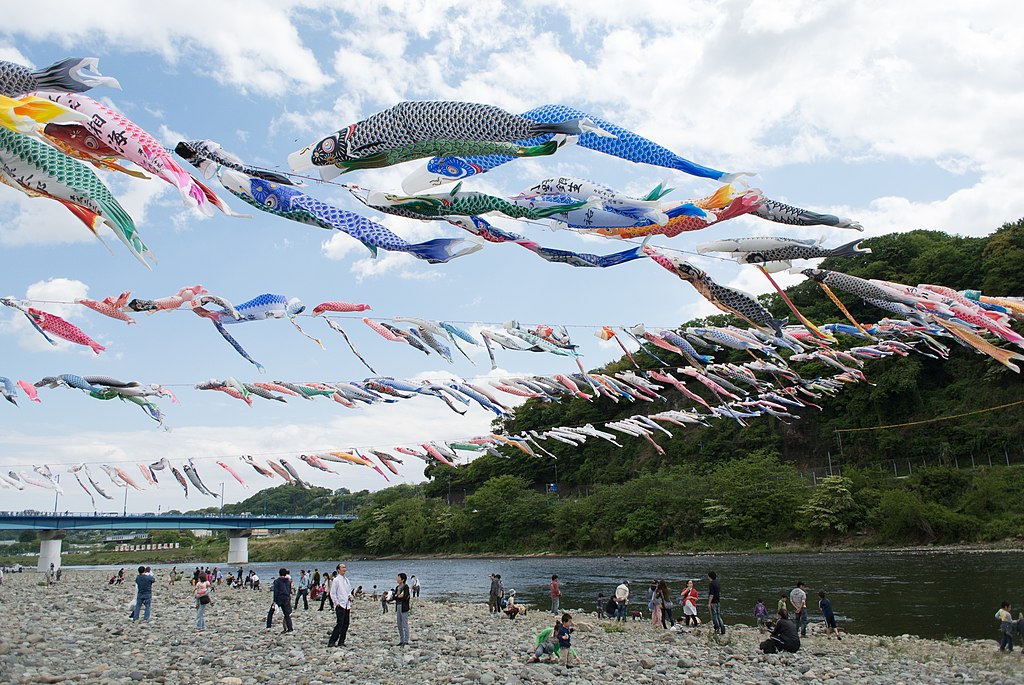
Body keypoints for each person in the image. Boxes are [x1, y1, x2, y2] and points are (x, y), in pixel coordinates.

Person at [327, 563, 354, 647]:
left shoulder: (346, 580)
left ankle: (341, 641)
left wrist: (350, 596)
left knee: (346, 623)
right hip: (340, 605)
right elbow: (332, 593)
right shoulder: (336, 580)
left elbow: (349, 591)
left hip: (347, 604)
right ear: (338, 570)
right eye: (342, 567)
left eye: (345, 567)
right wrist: (336, 603)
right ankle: (332, 641)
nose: (344, 569)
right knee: (340, 623)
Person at [269, 568, 293, 633]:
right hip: (286, 599)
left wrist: (274, 600)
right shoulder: (288, 581)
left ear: (279, 573)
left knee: (271, 612)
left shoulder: (277, 581)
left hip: (279, 599)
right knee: (287, 614)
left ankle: (268, 625)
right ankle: (290, 628)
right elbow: (289, 590)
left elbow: (276, 591)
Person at [394, 572, 411, 646]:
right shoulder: (397, 587)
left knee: (404, 624)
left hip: (404, 607)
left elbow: (405, 596)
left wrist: (398, 597)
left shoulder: (405, 587)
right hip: (398, 606)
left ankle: (406, 640)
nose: (397, 579)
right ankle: (401, 640)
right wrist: (397, 597)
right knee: (399, 624)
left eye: (398, 578)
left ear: (402, 579)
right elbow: (395, 596)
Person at [707, 571, 725, 635]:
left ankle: (717, 629)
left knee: (714, 616)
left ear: (710, 576)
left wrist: (709, 603)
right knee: (718, 615)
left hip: (713, 601)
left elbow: (711, 594)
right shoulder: (717, 583)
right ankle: (723, 629)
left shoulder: (711, 584)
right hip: (718, 601)